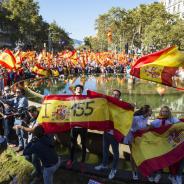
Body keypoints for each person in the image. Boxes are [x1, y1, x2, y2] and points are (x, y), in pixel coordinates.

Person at [149, 106, 181, 184]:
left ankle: (172, 175)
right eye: (163, 111)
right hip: (160, 144)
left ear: (169, 112)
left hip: (170, 144)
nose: (164, 113)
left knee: (172, 159)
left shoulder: (173, 119)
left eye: (166, 111)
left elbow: (180, 125)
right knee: (159, 159)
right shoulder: (157, 121)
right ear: (161, 112)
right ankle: (159, 173)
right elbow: (150, 130)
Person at [94, 89, 121, 180]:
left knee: (116, 153)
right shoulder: (108, 104)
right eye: (113, 94)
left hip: (115, 134)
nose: (114, 96)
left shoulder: (121, 106)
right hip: (106, 132)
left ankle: (114, 169)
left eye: (116, 95)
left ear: (119, 96)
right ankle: (104, 165)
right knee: (105, 150)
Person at [123, 105, 152, 181]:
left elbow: (144, 126)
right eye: (150, 110)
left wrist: (148, 127)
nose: (151, 111)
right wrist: (140, 130)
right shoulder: (135, 118)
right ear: (146, 112)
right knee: (133, 155)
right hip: (132, 137)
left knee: (143, 154)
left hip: (140, 139)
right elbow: (129, 127)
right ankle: (134, 171)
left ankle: (143, 170)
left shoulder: (147, 117)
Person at [14, 106, 42, 182]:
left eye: (33, 111)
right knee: (27, 156)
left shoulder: (40, 119)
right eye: (30, 112)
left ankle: (39, 175)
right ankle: (36, 169)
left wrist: (21, 127)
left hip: (38, 143)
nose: (31, 113)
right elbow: (29, 127)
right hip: (31, 142)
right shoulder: (31, 118)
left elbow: (34, 130)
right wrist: (24, 124)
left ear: (36, 111)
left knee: (34, 159)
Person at [66, 84, 87, 169]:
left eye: (80, 88)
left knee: (84, 145)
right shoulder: (71, 99)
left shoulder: (86, 99)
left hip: (83, 127)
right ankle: (71, 159)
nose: (79, 89)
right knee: (72, 144)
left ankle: (83, 161)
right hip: (74, 126)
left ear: (82, 91)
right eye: (77, 88)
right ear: (75, 91)